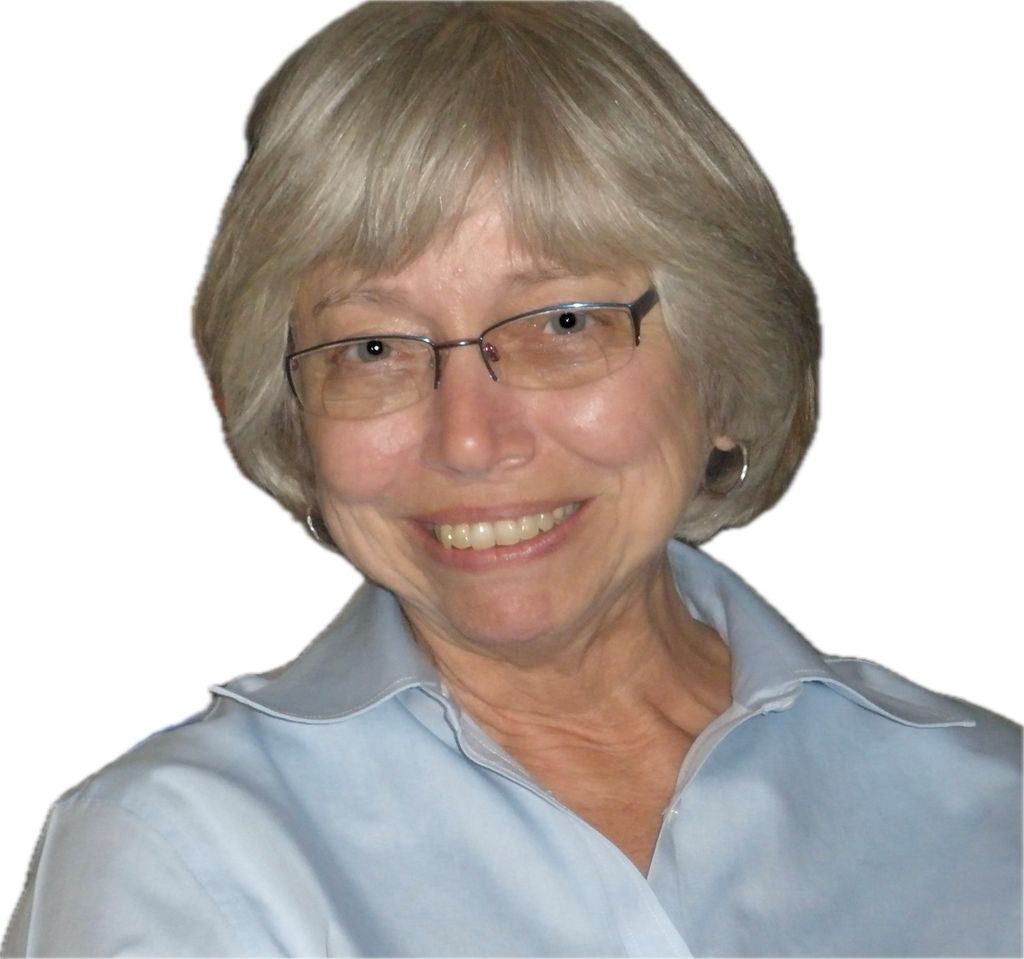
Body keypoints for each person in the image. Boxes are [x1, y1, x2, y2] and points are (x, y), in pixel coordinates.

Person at [3, 3, 1020, 957]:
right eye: (372, 347)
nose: (468, 439)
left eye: (563, 324)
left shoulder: (989, 813)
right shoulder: (178, 858)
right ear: (294, 418)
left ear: (721, 369)